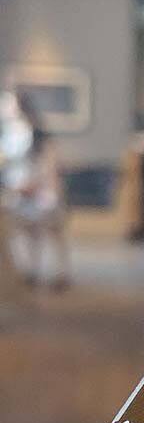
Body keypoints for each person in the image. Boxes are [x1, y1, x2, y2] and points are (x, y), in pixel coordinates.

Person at [0, 90, 70, 288]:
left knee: (53, 232)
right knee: (28, 233)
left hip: (43, 190)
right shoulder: (8, 135)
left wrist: (37, 185)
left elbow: (50, 164)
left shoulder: (38, 134)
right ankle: (32, 270)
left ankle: (60, 273)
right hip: (19, 190)